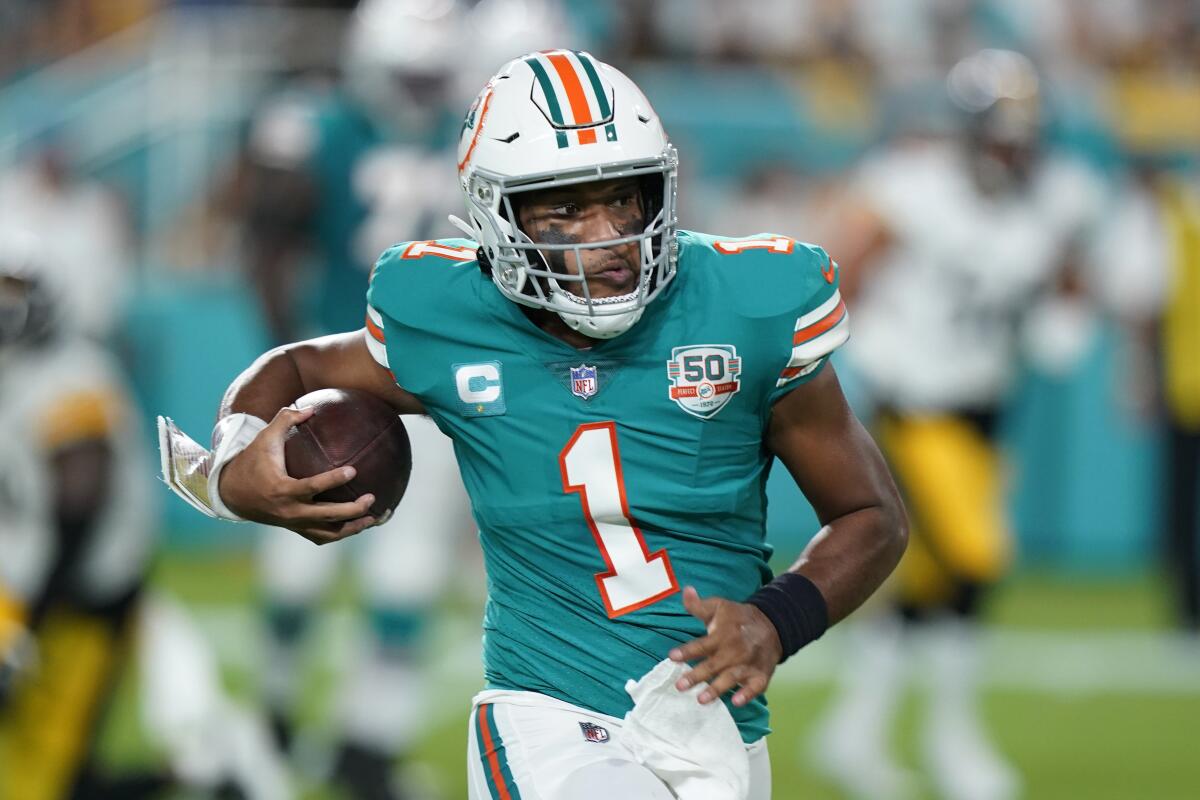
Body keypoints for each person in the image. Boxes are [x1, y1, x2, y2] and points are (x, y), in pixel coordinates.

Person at [162, 50, 907, 800]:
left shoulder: (748, 306)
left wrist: (780, 619)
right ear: (496, 215)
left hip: (714, 728)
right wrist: (230, 468)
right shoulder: (447, 315)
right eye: (565, 208)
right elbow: (294, 370)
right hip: (547, 721)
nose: (608, 235)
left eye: (625, 199)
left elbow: (873, 514)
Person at [809, 49, 1105, 800]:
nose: (1014, 149)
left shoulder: (1058, 197)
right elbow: (835, 274)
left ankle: (855, 731)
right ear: (969, 132)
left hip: (985, 407)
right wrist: (865, 353)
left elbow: (1072, 286)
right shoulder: (912, 189)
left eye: (1024, 134)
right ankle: (954, 739)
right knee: (976, 556)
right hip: (915, 402)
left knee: (927, 584)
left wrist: (1064, 310)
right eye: (1002, 134)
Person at [0, 233, 289, 800]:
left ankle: (209, 773)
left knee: (39, 783)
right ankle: (207, 774)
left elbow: (78, 513)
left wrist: (26, 627)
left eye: (11, 292)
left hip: (77, 597)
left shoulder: (71, 381)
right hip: (27, 586)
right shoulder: (19, 373)